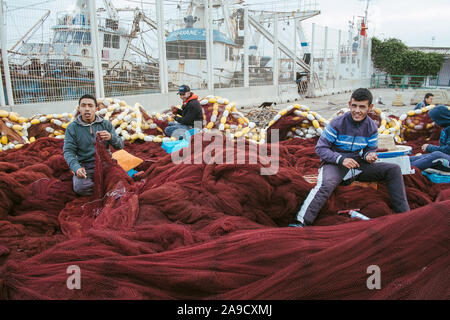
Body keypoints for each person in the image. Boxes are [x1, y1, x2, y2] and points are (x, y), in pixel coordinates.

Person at [289, 88, 410, 227]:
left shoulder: (371, 127)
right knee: (326, 184)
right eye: (354, 106)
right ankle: (301, 221)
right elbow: (321, 148)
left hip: (357, 166)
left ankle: (404, 215)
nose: (357, 110)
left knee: (393, 170)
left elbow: (370, 149)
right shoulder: (337, 123)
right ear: (349, 104)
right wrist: (341, 159)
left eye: (362, 107)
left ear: (370, 107)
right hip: (334, 164)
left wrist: (369, 156)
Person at [63, 94, 124, 196]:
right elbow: (68, 151)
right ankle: (105, 191)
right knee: (80, 188)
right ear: (79, 108)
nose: (87, 109)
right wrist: (76, 168)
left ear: (96, 109)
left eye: (90, 106)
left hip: (106, 164)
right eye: (83, 105)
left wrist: (110, 137)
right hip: (85, 167)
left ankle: (107, 189)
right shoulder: (72, 128)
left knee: (119, 181)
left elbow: (120, 145)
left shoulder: (105, 124)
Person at [409, 105, 450, 173]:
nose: (435, 123)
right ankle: (401, 163)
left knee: (436, 155)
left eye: (435, 120)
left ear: (441, 118)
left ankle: (406, 169)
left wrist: (429, 147)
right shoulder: (446, 128)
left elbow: (448, 150)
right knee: (421, 157)